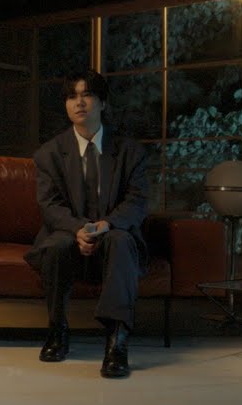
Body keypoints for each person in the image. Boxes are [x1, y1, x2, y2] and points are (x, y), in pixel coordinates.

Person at [24, 69, 150, 378]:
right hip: (69, 236)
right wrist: (78, 229)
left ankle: (117, 341)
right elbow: (50, 205)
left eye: (87, 95)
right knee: (56, 244)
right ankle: (57, 329)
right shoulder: (49, 154)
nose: (79, 102)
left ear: (103, 103)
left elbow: (137, 201)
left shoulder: (129, 151)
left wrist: (106, 225)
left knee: (121, 241)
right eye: (72, 96)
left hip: (112, 234)